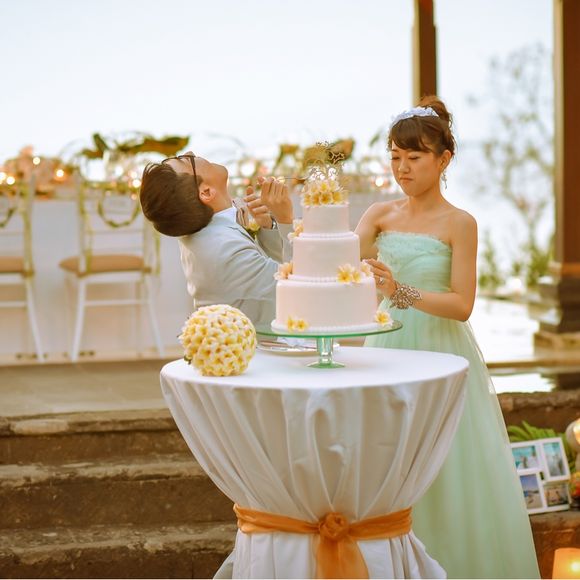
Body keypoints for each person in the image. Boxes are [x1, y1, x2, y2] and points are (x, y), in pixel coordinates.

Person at [355, 96, 540, 579]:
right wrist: (283, 220)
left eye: (414, 157)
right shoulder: (379, 215)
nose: (402, 168)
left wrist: (400, 291)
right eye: (395, 157)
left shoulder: (460, 223)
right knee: (389, 457)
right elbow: (333, 263)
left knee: (450, 463)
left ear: (444, 160)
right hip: (387, 348)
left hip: (441, 350)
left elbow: (462, 304)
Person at [139, 152, 294, 327]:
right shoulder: (222, 249)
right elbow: (297, 284)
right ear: (206, 192)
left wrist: (267, 226)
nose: (190, 153)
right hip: (262, 342)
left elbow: (272, 271)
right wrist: (285, 219)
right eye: (185, 160)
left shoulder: (205, 231)